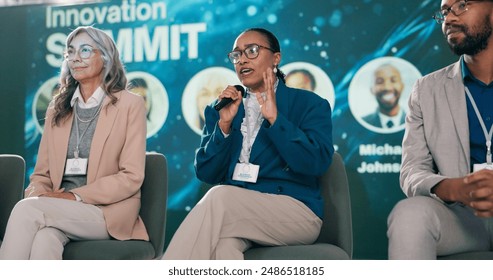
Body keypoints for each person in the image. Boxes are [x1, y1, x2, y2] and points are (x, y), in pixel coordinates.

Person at [163, 27, 334, 260]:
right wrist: (223, 127)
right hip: (236, 212)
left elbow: (316, 163)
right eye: (236, 55)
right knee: (221, 248)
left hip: (294, 212)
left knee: (219, 197)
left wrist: (275, 119)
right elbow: (207, 172)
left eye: (252, 51)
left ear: (276, 58)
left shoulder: (308, 104)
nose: (242, 59)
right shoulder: (223, 107)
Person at [0, 26, 148, 259]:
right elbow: (41, 175)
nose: (76, 58)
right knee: (44, 238)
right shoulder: (57, 108)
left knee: (27, 210)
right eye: (71, 52)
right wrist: (42, 195)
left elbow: (131, 177)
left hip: (105, 212)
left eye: (86, 50)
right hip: (57, 211)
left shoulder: (130, 105)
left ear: (106, 57)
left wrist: (73, 196)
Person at [387, 0, 493, 259]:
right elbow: (412, 171)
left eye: (462, 5)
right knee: (409, 215)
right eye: (445, 11)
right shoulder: (426, 89)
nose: (449, 18)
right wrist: (454, 188)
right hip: (463, 218)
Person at [362, 63, 406, 129]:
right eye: (379, 82)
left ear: (402, 87)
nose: (387, 87)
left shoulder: (417, 122)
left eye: (393, 80)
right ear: (372, 90)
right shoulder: (364, 122)